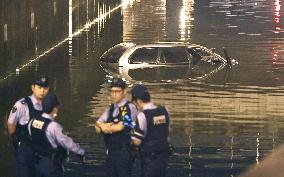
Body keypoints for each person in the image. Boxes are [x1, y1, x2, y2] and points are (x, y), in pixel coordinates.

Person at [28, 94, 85, 177]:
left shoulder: (32, 121)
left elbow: (30, 138)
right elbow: (68, 143)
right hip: (51, 166)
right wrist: (80, 152)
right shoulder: (54, 126)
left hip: (35, 163)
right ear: (54, 108)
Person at [7, 75, 50, 177]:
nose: (42, 91)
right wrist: (16, 144)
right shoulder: (22, 105)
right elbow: (11, 124)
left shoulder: (49, 106)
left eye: (45, 88)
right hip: (26, 150)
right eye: (39, 87)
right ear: (33, 87)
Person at [95, 77, 138, 177]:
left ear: (124, 91)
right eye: (112, 91)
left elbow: (121, 127)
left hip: (124, 152)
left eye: (117, 91)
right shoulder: (110, 109)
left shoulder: (129, 108)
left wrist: (105, 127)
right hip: (111, 152)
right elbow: (97, 125)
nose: (114, 95)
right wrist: (105, 126)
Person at [131, 84, 170, 177]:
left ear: (138, 101)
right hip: (163, 157)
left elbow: (137, 141)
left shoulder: (142, 116)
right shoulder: (164, 111)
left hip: (149, 159)